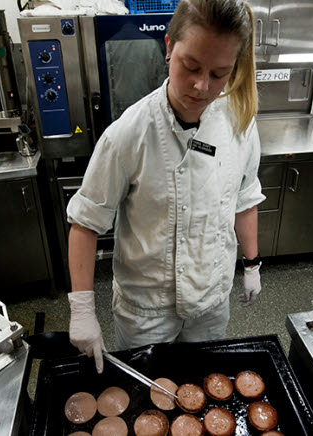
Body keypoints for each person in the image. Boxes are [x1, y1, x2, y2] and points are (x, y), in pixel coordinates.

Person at [65, 0, 263, 373]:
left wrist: (251, 264)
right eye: (191, 67)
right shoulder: (128, 134)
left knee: (201, 390)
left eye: (220, 74)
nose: (202, 86)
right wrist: (81, 309)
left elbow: (244, 196)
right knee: (148, 399)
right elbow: (86, 222)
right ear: (169, 46)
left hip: (210, 300)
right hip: (147, 311)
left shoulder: (239, 121)